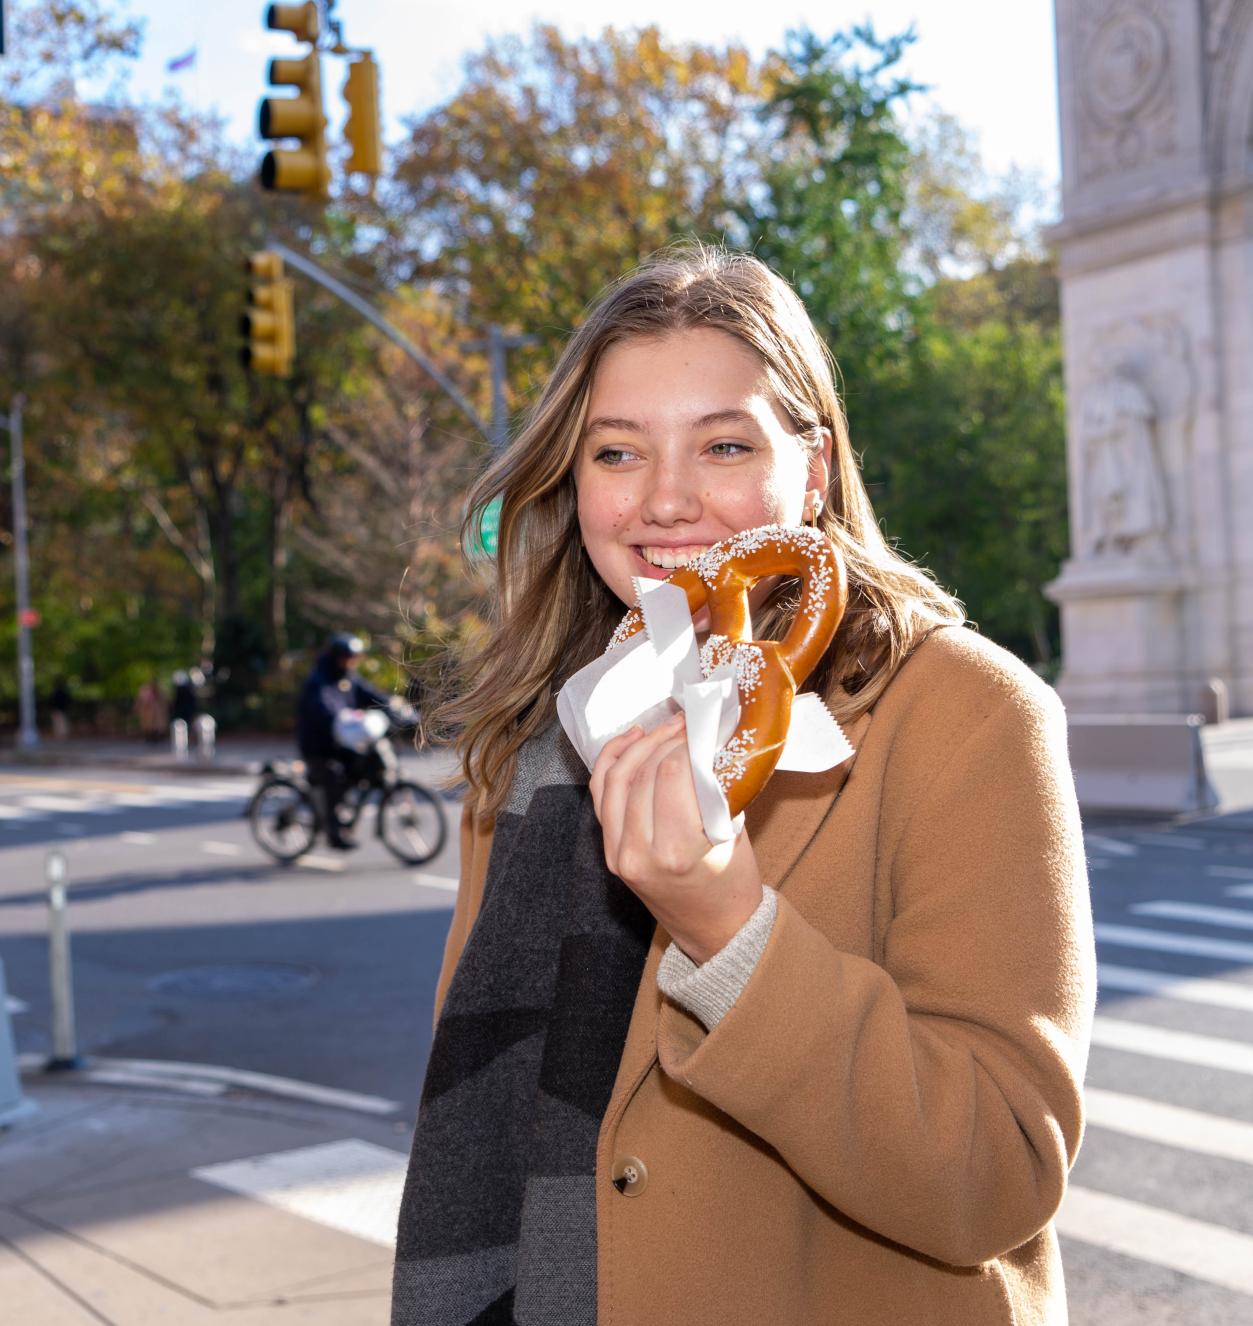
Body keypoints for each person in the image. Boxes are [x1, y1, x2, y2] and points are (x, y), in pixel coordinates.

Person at [391, 246, 1096, 1326]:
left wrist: (731, 934)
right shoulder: (528, 742)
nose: (664, 501)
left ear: (809, 472)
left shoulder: (966, 714)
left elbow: (994, 1175)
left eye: (723, 445)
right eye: (615, 452)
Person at [297, 633, 393, 850]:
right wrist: (342, 718)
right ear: (336, 657)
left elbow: (369, 693)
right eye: (348, 658)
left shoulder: (348, 678)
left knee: (362, 765)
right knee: (333, 777)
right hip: (319, 747)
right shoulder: (318, 681)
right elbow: (323, 710)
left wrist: (392, 704)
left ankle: (344, 808)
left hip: (343, 742)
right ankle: (333, 830)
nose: (352, 662)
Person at [133, 674, 168, 743]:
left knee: (158, 725)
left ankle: (157, 737)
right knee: (148, 725)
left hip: (157, 712)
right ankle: (149, 737)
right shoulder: (145, 689)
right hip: (147, 711)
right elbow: (140, 699)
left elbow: (165, 700)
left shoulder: (160, 690)